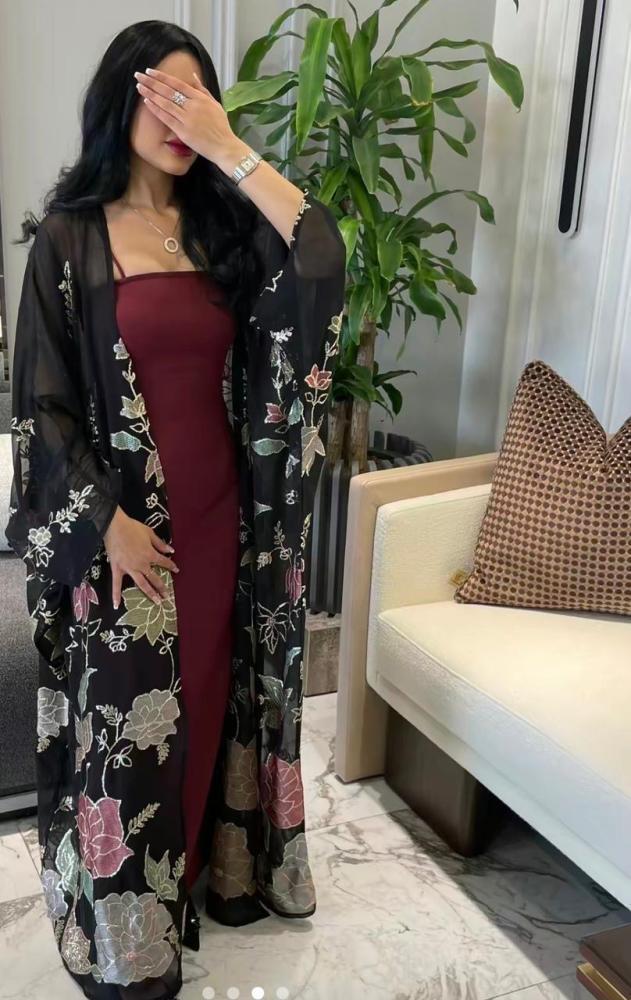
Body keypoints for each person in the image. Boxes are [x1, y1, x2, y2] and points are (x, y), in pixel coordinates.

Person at [6, 19, 346, 1000]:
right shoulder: (69, 238)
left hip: (225, 526)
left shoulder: (226, 229)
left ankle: (197, 876)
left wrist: (230, 149)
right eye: (160, 96)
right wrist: (101, 522)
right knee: (129, 730)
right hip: (124, 536)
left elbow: (320, 260)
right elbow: (42, 405)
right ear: (119, 102)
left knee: (200, 703)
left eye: (194, 100)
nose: (176, 119)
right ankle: (131, 938)